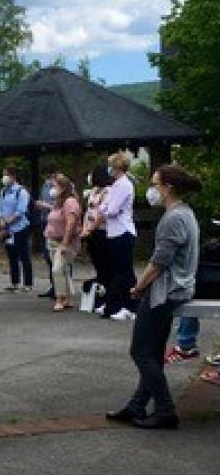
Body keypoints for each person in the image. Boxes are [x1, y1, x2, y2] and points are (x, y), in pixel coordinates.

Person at [106, 164, 201, 430]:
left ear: (168, 187)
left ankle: (165, 410)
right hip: (175, 289)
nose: (151, 190)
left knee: (141, 352)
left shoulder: (173, 218)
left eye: (154, 184)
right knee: (153, 353)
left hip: (165, 291)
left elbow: (159, 262)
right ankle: (137, 405)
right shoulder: (184, 213)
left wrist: (139, 286)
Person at [99, 153, 138, 320]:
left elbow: (111, 209)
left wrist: (105, 209)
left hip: (123, 230)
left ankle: (130, 306)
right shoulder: (116, 185)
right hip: (114, 231)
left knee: (124, 271)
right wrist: (105, 208)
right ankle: (116, 303)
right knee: (117, 270)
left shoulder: (124, 185)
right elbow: (105, 206)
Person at [44, 174, 81, 311]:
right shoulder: (59, 201)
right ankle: (67, 297)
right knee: (63, 270)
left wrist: (65, 243)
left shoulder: (70, 202)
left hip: (65, 242)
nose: (52, 189)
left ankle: (59, 298)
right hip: (53, 240)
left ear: (63, 187)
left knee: (57, 269)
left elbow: (70, 224)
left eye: (54, 186)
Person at [80, 164, 113, 311]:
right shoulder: (93, 191)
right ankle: (100, 295)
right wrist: (85, 228)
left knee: (106, 265)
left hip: (102, 231)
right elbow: (89, 211)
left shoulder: (108, 191)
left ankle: (107, 296)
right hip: (91, 231)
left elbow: (103, 212)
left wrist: (92, 228)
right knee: (98, 265)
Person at [0, 166, 34, 292]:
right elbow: (0, 209)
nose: (4, 177)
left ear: (13, 176)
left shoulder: (21, 192)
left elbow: (21, 211)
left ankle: (28, 283)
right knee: (12, 256)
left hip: (20, 228)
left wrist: (8, 221)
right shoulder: (3, 191)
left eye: (6, 174)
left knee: (24, 256)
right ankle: (15, 282)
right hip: (8, 230)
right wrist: (2, 221)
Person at [34, 171, 59, 299]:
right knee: (48, 257)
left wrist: (45, 205)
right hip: (46, 222)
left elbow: (61, 206)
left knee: (58, 259)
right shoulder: (45, 186)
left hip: (57, 224)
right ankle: (53, 285)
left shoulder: (61, 187)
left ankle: (61, 289)